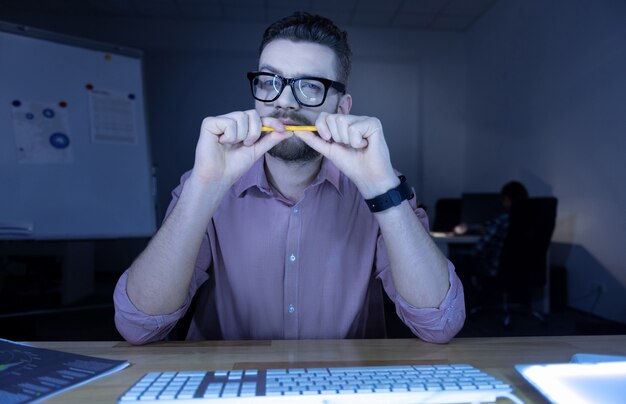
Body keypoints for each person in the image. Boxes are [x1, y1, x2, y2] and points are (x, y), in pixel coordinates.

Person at [113, 12, 465, 344]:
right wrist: (203, 188)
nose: (283, 102)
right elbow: (137, 326)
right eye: (270, 81)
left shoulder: (382, 185)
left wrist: (381, 189)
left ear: (341, 109)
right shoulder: (206, 181)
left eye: (310, 86)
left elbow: (440, 325)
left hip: (342, 385)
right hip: (229, 385)